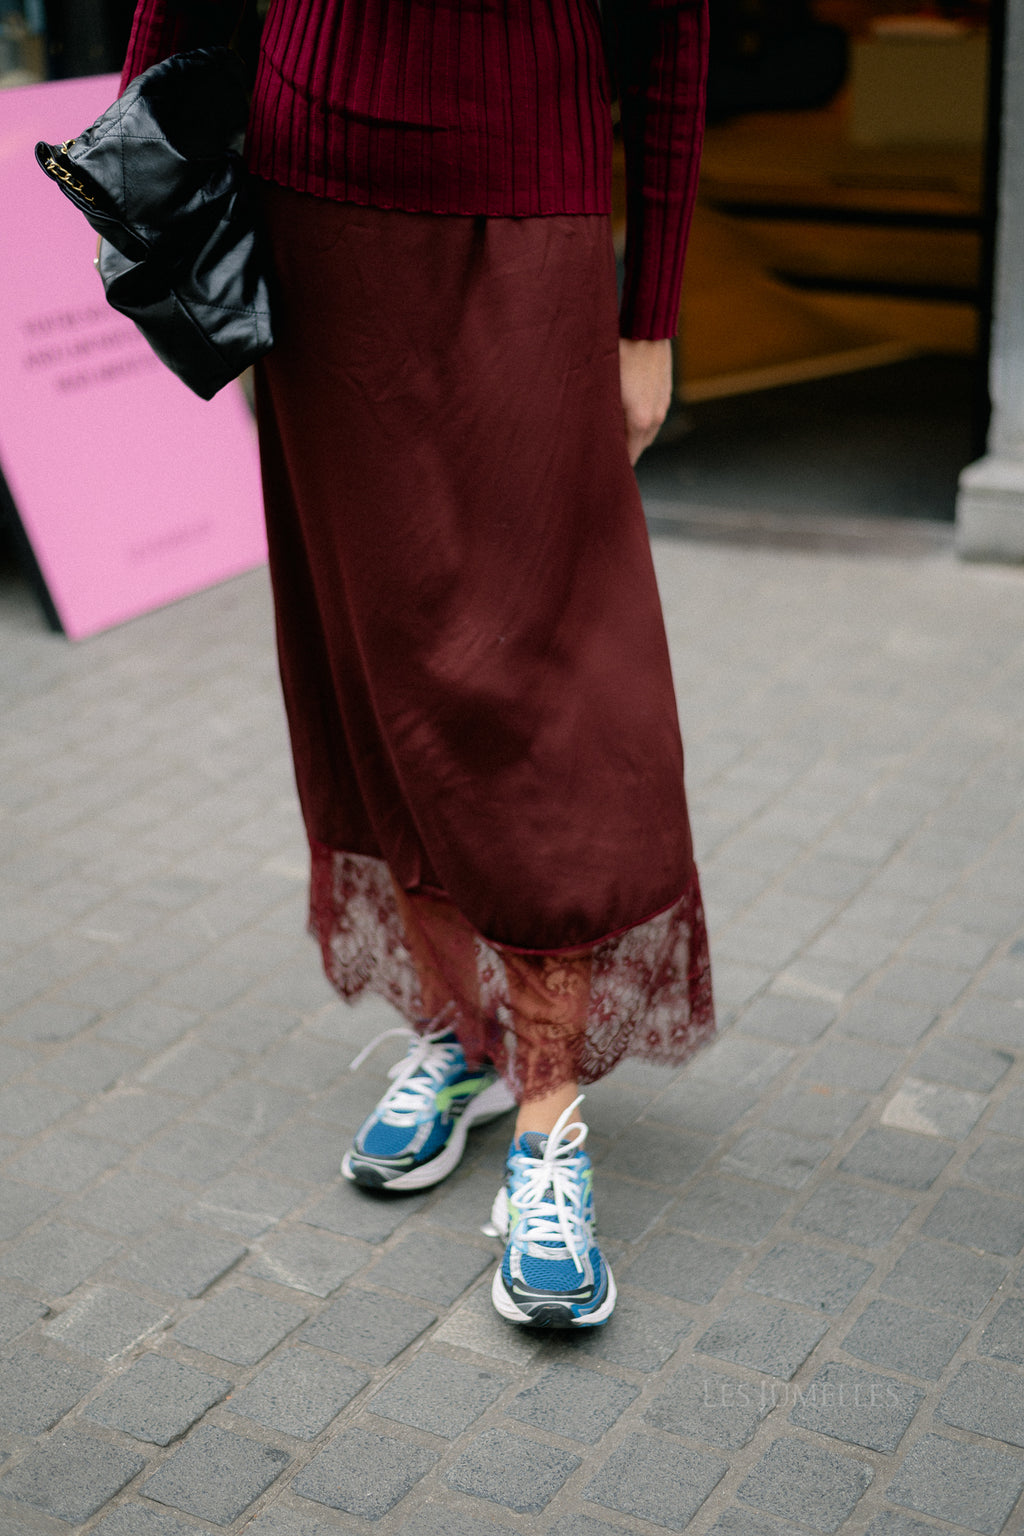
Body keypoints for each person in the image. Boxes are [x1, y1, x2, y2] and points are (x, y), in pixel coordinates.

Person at [118, 0, 715, 1329]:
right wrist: (143, 145)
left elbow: (673, 30)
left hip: (526, 210)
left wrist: (651, 313)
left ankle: (550, 1120)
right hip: (312, 206)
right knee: (370, 653)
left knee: (537, 680)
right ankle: (463, 1032)